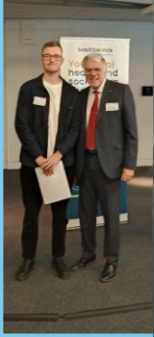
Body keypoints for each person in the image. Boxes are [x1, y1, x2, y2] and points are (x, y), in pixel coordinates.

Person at [14, 41, 80, 280]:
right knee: (31, 214)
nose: (52, 59)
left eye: (57, 56)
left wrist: (57, 155)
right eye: (47, 56)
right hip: (33, 164)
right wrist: (40, 158)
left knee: (60, 215)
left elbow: (75, 129)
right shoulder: (28, 89)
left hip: (63, 164)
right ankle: (28, 259)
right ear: (41, 60)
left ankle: (58, 257)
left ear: (63, 61)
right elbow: (21, 125)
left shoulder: (72, 93)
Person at [71, 52, 137, 282]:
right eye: (88, 70)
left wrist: (129, 165)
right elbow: (76, 134)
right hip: (84, 163)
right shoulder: (80, 96)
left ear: (105, 70)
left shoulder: (120, 91)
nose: (92, 74)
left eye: (96, 69)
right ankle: (88, 255)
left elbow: (132, 132)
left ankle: (111, 261)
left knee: (111, 216)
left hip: (111, 165)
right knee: (86, 215)